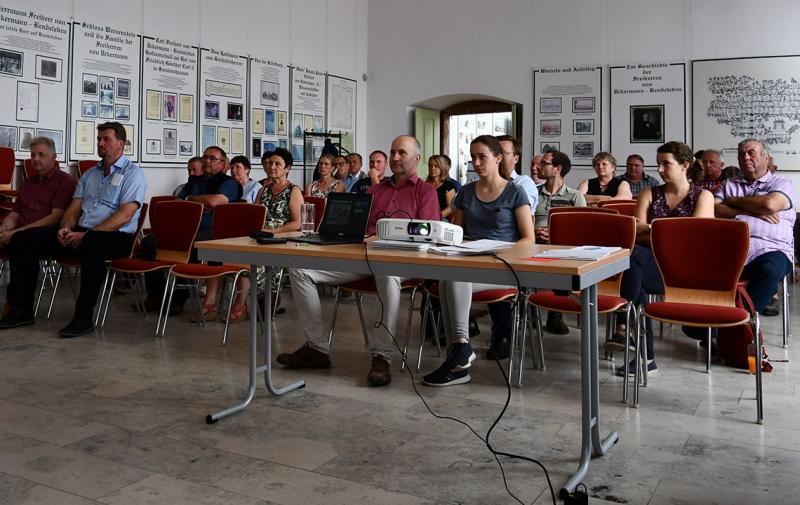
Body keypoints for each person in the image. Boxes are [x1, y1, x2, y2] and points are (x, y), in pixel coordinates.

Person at [281, 135, 439, 387]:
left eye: (402, 153)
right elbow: (358, 226)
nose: (395, 158)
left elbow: (428, 236)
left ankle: (381, 356)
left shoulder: (426, 192)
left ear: (416, 159)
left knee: (387, 274)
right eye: (393, 152)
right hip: (364, 255)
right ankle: (317, 348)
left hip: (402, 262)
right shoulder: (374, 190)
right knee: (300, 269)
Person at [0, 122, 147, 336]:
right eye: (98, 139)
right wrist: (66, 228)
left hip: (115, 238)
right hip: (81, 232)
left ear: (121, 144)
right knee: (25, 238)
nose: (100, 143)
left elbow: (124, 216)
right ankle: (21, 310)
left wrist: (87, 234)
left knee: (93, 243)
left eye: (106, 139)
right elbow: (73, 209)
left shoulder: (133, 174)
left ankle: (83, 317)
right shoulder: (90, 175)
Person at [422, 135, 534, 386]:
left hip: (502, 267)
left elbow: (528, 238)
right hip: (470, 262)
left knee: (454, 277)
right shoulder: (467, 191)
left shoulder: (515, 192)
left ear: (497, 158)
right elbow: (457, 234)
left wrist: (500, 253)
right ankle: (459, 354)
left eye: (482, 156)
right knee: (448, 278)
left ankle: (459, 353)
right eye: (473, 157)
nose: (476, 162)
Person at [611, 141, 714, 377]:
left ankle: (625, 323)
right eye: (658, 164)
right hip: (650, 265)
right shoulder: (650, 192)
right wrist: (667, 231)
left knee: (632, 265)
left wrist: (653, 228)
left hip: (685, 270)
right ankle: (644, 354)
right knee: (632, 257)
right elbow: (635, 231)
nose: (659, 169)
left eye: (666, 164)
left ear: (684, 165)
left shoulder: (703, 196)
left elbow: (695, 236)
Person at [205, 148, 303, 322]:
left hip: (280, 238)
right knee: (224, 253)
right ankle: (213, 303)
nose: (272, 167)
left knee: (247, 260)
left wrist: (272, 232)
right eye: (270, 163)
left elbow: (297, 223)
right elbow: (255, 214)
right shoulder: (263, 189)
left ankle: (240, 304)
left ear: (287, 168)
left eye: (277, 164)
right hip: (259, 235)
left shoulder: (293, 190)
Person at [143, 146, 242, 316]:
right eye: (205, 157)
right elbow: (175, 204)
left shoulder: (229, 184)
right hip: (184, 229)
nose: (207, 161)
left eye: (212, 158)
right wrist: (195, 202)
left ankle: (178, 299)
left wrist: (191, 201)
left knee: (187, 245)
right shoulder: (194, 182)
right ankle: (156, 296)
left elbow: (215, 202)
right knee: (148, 243)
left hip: (212, 233)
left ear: (223, 163)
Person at [715, 138, 796, 317]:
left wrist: (733, 201)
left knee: (768, 271)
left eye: (751, 153)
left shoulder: (782, 184)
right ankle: (708, 321)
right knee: (703, 266)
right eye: (741, 154)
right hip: (732, 250)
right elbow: (715, 208)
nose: (745, 157)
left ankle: (737, 322)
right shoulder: (730, 184)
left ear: (766, 158)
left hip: (771, 249)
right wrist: (752, 211)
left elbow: (769, 204)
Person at [0, 137, 75, 318]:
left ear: (54, 157)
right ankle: (15, 303)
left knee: (21, 241)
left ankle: (20, 307)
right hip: (23, 234)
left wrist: (16, 232)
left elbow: (54, 218)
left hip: (49, 234)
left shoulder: (64, 181)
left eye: (41, 155)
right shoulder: (28, 182)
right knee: (17, 239)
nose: (35, 159)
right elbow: (15, 214)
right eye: (33, 155)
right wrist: (4, 228)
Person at [534, 150, 586, 334]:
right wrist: (534, 232)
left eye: (544, 163)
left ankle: (555, 313)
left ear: (557, 169)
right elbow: (522, 220)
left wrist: (555, 234)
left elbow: (581, 229)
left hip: (562, 245)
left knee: (559, 255)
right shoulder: (533, 193)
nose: (539, 166)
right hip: (533, 241)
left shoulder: (574, 196)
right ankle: (529, 308)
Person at [425, 154, 457, 220]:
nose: (432, 168)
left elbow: (451, 208)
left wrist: (437, 215)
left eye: (436, 166)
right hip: (424, 217)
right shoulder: (424, 185)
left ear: (441, 167)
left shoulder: (448, 186)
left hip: (442, 218)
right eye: (430, 166)